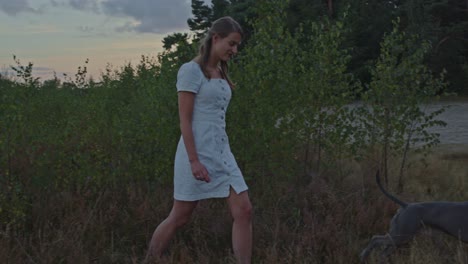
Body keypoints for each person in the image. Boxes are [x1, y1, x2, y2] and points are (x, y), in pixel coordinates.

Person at [145, 16, 253, 264]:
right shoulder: (191, 70)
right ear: (216, 38)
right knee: (180, 216)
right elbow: (185, 120)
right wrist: (194, 161)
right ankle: (149, 259)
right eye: (232, 43)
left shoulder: (221, 72)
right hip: (196, 153)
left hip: (223, 154)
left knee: (244, 211)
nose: (234, 50)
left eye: (237, 46)